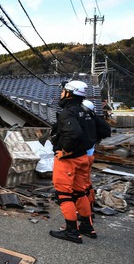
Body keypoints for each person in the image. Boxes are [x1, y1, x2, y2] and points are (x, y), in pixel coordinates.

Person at [49, 80, 99, 244]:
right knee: (80, 192)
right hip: (83, 157)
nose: (61, 94)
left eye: (63, 91)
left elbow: (74, 133)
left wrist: (65, 151)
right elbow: (99, 130)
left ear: (69, 93)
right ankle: (87, 226)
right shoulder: (86, 112)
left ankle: (72, 232)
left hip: (68, 160)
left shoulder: (68, 113)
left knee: (64, 194)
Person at [80, 99, 111, 234]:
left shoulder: (85, 121)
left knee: (78, 188)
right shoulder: (95, 120)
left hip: (81, 156)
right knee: (86, 184)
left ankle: (84, 214)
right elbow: (106, 131)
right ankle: (89, 209)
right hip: (90, 156)